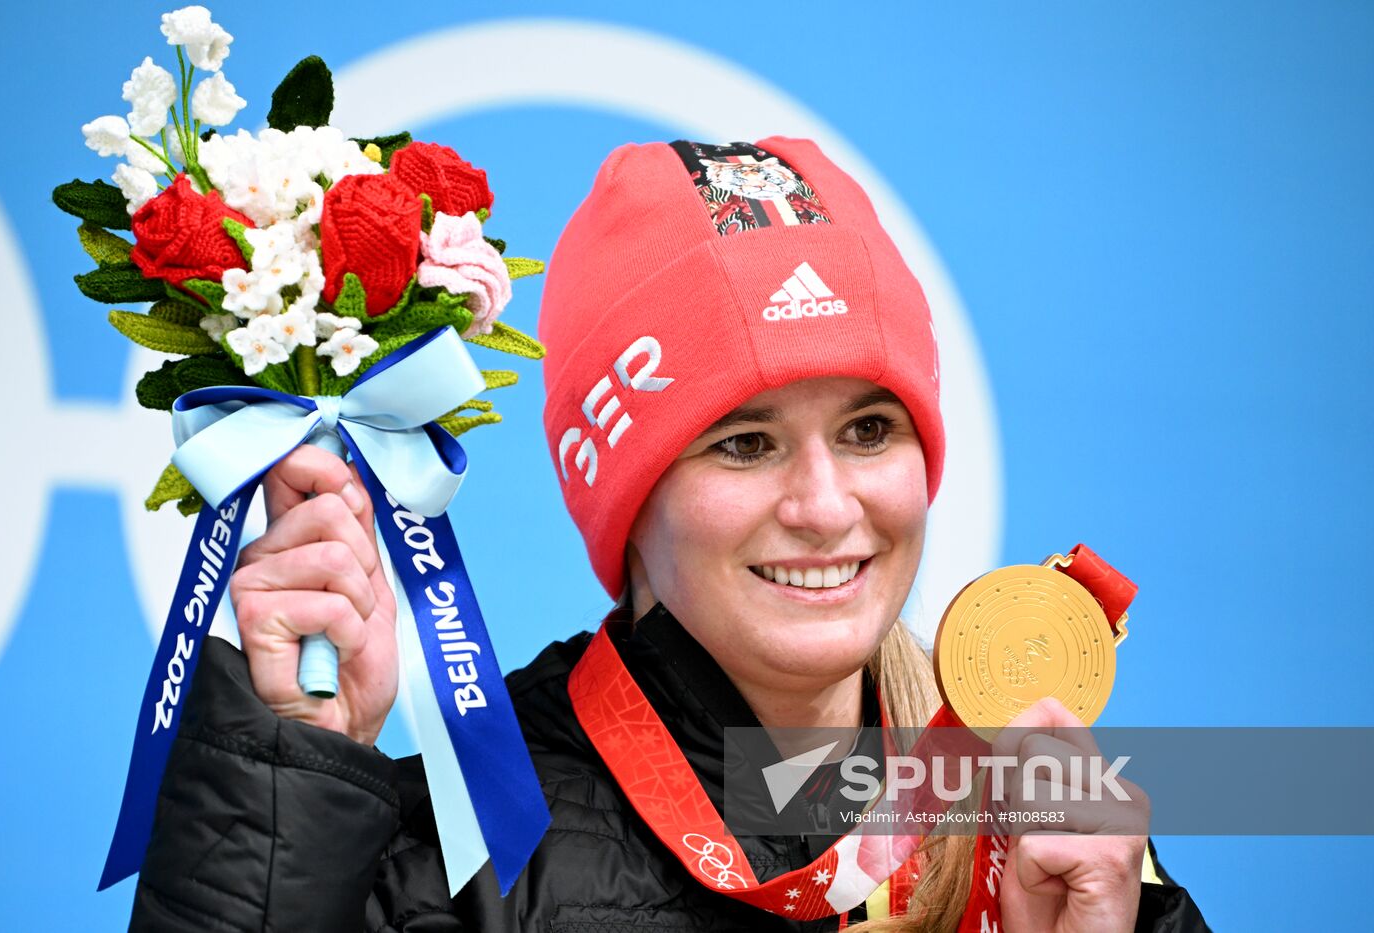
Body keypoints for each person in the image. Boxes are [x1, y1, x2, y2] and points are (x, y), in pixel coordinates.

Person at [129, 138, 1209, 932]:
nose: (826, 505)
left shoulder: (1035, 825)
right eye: (743, 445)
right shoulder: (452, 861)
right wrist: (292, 773)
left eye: (868, 429)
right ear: (626, 497)